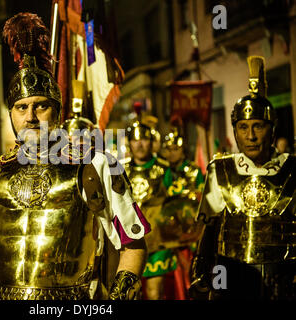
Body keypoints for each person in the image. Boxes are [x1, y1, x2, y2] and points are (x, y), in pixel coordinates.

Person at [0, 12, 149, 300]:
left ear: (58, 112)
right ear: (11, 114)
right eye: (21, 107)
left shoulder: (96, 165)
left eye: (41, 106)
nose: (31, 117)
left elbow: (132, 245)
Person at [189, 56, 296, 300]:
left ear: (272, 128)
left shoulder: (291, 168)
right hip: (233, 273)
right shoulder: (221, 169)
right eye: (243, 127)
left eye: (258, 126)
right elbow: (210, 229)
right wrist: (204, 273)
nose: (251, 136)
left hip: (284, 276)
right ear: (235, 130)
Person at [124, 121, 172, 300]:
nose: (140, 144)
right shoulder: (121, 170)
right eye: (135, 140)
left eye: (144, 139)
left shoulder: (164, 169)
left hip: (157, 241)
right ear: (129, 143)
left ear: (151, 143)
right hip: (128, 243)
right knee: (129, 294)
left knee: (154, 294)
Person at [160, 128, 204, 299]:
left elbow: (200, 201)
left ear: (183, 150)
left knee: (193, 278)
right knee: (173, 285)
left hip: (192, 235)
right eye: (168, 149)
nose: (171, 154)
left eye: (175, 149)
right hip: (169, 236)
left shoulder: (193, 171)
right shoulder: (162, 172)